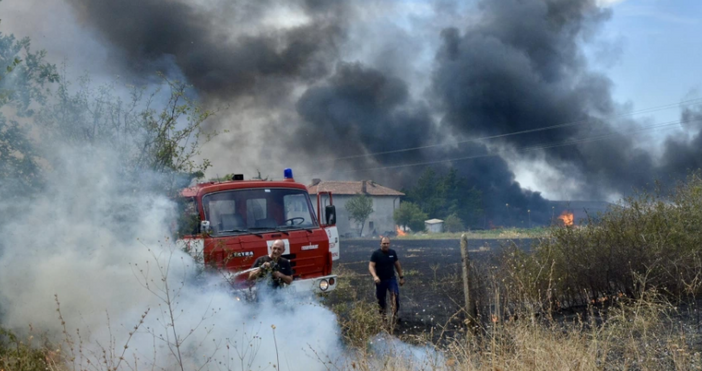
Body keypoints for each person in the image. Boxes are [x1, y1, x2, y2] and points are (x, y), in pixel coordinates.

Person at [369, 237, 404, 318]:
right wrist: (375, 276)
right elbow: (371, 266)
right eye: (384, 243)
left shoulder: (392, 253)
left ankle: (394, 315)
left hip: (391, 279)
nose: (386, 245)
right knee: (381, 299)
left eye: (387, 243)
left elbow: (397, 265)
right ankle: (383, 316)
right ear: (380, 244)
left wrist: (401, 277)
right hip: (380, 280)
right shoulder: (376, 254)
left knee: (394, 295)